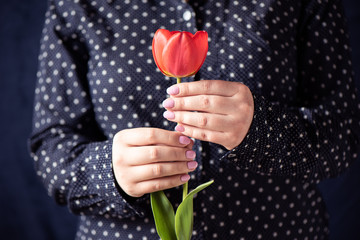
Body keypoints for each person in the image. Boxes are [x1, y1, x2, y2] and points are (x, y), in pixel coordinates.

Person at [29, 0, 360, 239]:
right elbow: (51, 145)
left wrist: (260, 129)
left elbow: (343, 137)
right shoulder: (77, 4)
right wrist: (108, 171)